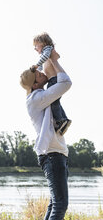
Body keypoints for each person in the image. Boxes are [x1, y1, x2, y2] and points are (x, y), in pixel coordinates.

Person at [20, 50, 72, 220]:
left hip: (56, 153)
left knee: (54, 203)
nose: (42, 73)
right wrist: (54, 61)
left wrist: (46, 54)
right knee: (60, 204)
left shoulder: (39, 95)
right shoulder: (37, 98)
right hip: (52, 155)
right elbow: (65, 83)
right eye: (39, 75)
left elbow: (45, 71)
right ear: (35, 84)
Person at [31, 32, 71, 135]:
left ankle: (60, 120)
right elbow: (41, 66)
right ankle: (64, 119)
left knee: (53, 101)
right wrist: (36, 70)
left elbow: (44, 58)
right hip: (51, 79)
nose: (35, 48)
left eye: (36, 45)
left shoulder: (47, 49)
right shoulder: (44, 54)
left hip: (54, 79)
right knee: (55, 100)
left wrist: (36, 65)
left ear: (43, 43)